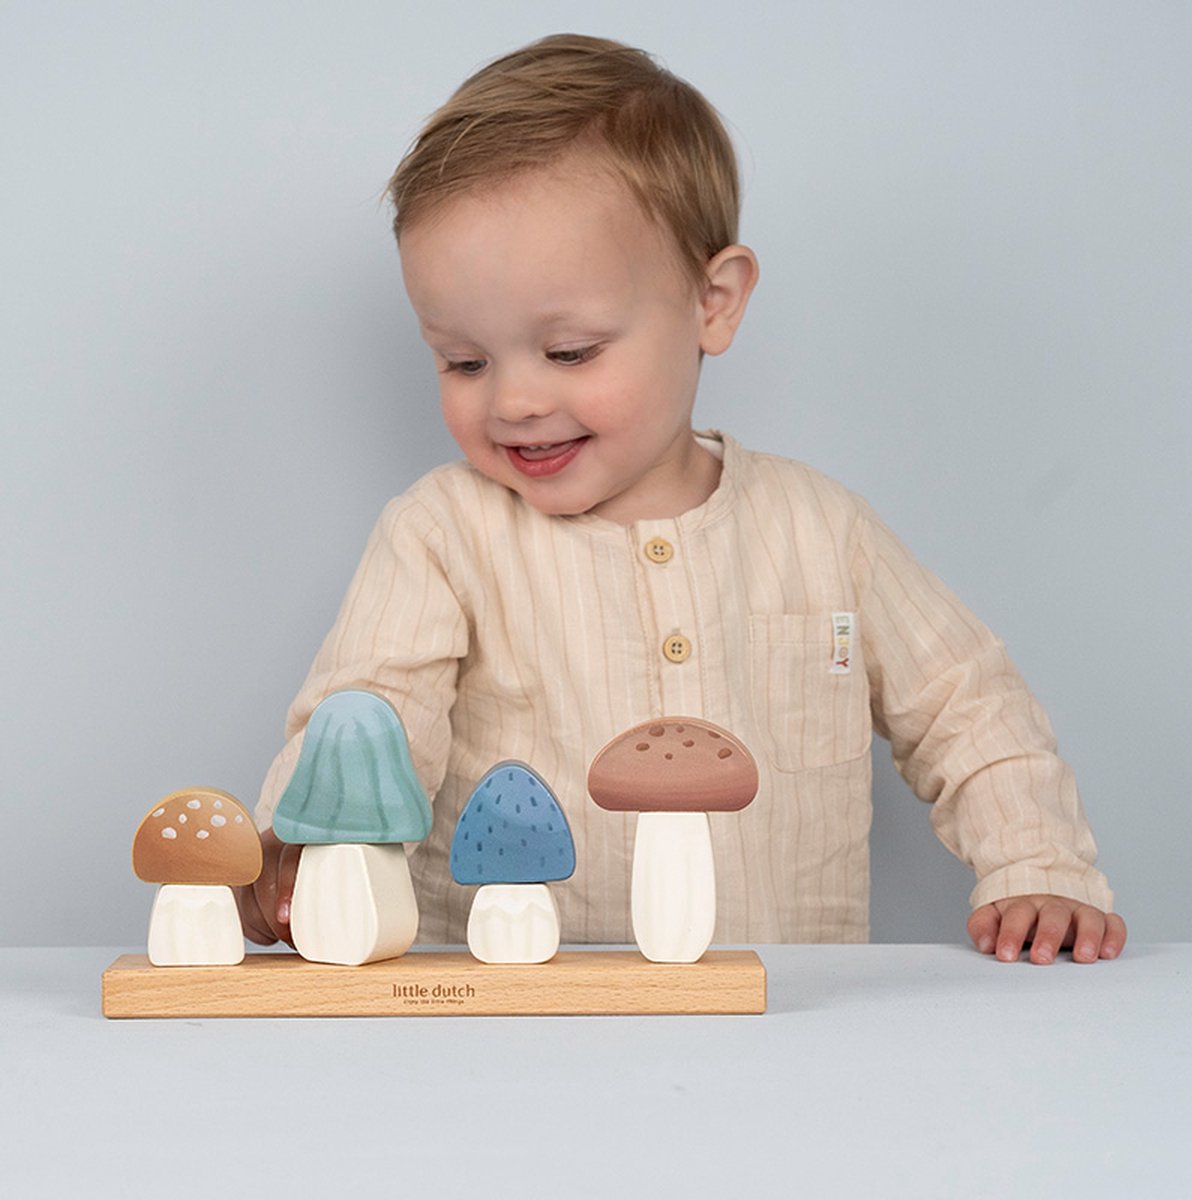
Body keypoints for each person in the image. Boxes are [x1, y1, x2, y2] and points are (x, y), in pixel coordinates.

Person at [236, 33, 1126, 965]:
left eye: (570, 351)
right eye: (464, 361)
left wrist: (1040, 866)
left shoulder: (822, 532)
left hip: (787, 1008)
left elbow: (968, 705)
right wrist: (299, 854)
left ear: (713, 302)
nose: (515, 400)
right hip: (509, 1012)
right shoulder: (441, 536)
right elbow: (366, 717)